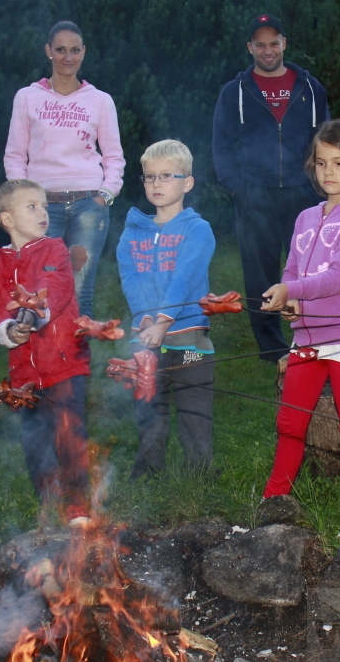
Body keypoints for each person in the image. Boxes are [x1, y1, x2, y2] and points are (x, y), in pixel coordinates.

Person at [258, 120, 340, 542]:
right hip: (307, 340)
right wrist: (291, 301)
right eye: (321, 163)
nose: (329, 172)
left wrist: (292, 289)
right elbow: (293, 269)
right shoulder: (306, 216)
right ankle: (274, 501)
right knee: (290, 422)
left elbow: (338, 277)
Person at [212, 14, 330, 361]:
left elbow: (325, 139)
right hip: (254, 194)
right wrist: (237, 188)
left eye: (273, 42)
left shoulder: (309, 88)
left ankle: (314, 334)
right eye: (260, 44)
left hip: (303, 193)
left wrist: (319, 185)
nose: (267, 50)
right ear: (250, 47)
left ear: (284, 43)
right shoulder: (234, 92)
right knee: (260, 273)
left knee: (310, 268)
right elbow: (221, 144)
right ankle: (272, 348)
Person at [0, 179, 91, 527]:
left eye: (44, 205)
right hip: (25, 376)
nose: (43, 212)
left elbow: (55, 288)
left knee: (69, 436)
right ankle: (49, 503)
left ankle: (77, 507)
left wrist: (33, 315)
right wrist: (8, 329)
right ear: (7, 219)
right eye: (32, 206)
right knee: (36, 444)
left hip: (65, 365)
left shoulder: (55, 249)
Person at [4, 20, 125, 319]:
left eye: (74, 50)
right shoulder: (27, 97)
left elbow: (114, 156)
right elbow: (15, 155)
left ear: (84, 52)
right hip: (43, 208)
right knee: (39, 286)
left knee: (81, 287)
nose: (67, 57)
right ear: (48, 51)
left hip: (89, 205)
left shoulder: (100, 101)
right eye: (60, 49)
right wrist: (25, 201)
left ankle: (77, 362)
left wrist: (105, 197)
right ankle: (41, 360)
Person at [117, 140, 216, 478]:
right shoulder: (132, 232)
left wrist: (163, 322)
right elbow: (130, 280)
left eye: (166, 176)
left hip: (190, 339)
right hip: (145, 339)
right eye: (149, 177)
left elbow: (185, 279)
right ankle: (148, 471)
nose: (156, 184)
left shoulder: (198, 230)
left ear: (187, 182)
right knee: (149, 405)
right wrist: (147, 321)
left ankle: (201, 472)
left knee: (195, 406)